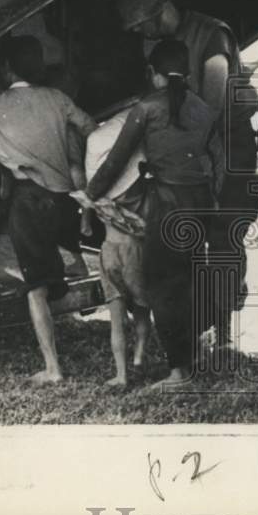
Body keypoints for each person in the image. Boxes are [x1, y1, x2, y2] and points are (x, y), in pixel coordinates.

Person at [114, 0, 258, 352]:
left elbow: (214, 102)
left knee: (224, 239)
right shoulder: (155, 44)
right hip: (191, 153)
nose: (140, 35)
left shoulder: (212, 35)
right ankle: (198, 326)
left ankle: (225, 333)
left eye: (141, 25)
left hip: (228, 146)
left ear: (158, 12)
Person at [0, 36, 96, 383]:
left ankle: (53, 369)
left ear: (7, 69)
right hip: (63, 200)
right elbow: (90, 127)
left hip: (28, 202)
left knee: (36, 287)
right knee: (54, 271)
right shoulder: (57, 98)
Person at [82, 39, 223, 391]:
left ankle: (179, 371)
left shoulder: (146, 107)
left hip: (169, 203)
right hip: (201, 202)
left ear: (153, 73)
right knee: (191, 276)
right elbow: (219, 160)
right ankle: (195, 355)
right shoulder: (204, 109)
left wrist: (91, 194)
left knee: (163, 285)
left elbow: (116, 159)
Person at [82, 103, 153, 387]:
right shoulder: (137, 195)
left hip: (107, 252)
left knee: (116, 318)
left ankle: (121, 374)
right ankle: (139, 358)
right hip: (134, 252)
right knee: (142, 311)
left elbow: (86, 224)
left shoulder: (99, 198)